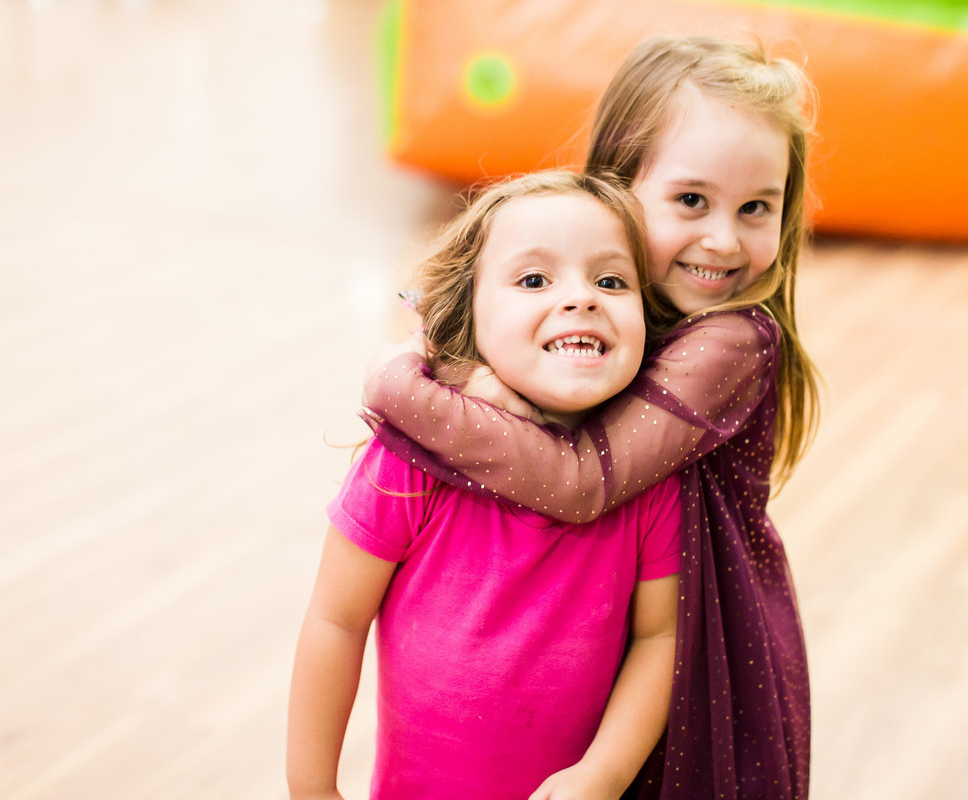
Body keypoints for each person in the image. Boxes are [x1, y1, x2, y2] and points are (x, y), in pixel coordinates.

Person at [362, 35, 820, 799]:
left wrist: (399, 386)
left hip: (701, 653)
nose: (722, 239)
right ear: (615, 187)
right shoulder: (607, 308)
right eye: (691, 200)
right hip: (607, 627)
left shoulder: (735, 340)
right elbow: (447, 307)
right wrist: (461, 364)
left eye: (756, 209)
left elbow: (581, 480)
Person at [287, 171, 683, 800]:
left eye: (610, 280)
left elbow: (661, 636)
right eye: (534, 280)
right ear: (470, 312)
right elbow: (336, 620)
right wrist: (312, 790)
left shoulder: (648, 478)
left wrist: (602, 774)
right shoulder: (410, 461)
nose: (581, 298)